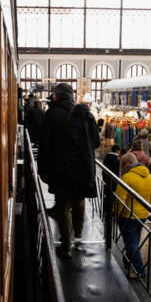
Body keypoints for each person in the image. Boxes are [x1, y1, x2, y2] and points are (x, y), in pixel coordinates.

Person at [38, 82, 99, 258]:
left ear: (56, 96)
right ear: (72, 96)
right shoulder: (86, 115)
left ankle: (66, 245)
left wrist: (43, 169)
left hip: (61, 167)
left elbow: (45, 145)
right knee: (79, 199)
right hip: (83, 168)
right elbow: (96, 142)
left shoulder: (51, 114)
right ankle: (79, 232)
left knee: (63, 204)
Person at [115, 152, 151, 279]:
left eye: (122, 165)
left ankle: (139, 270)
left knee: (131, 242)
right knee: (134, 240)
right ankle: (129, 262)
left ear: (127, 164)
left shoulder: (127, 178)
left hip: (128, 215)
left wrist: (116, 212)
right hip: (142, 215)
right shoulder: (149, 176)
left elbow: (120, 199)